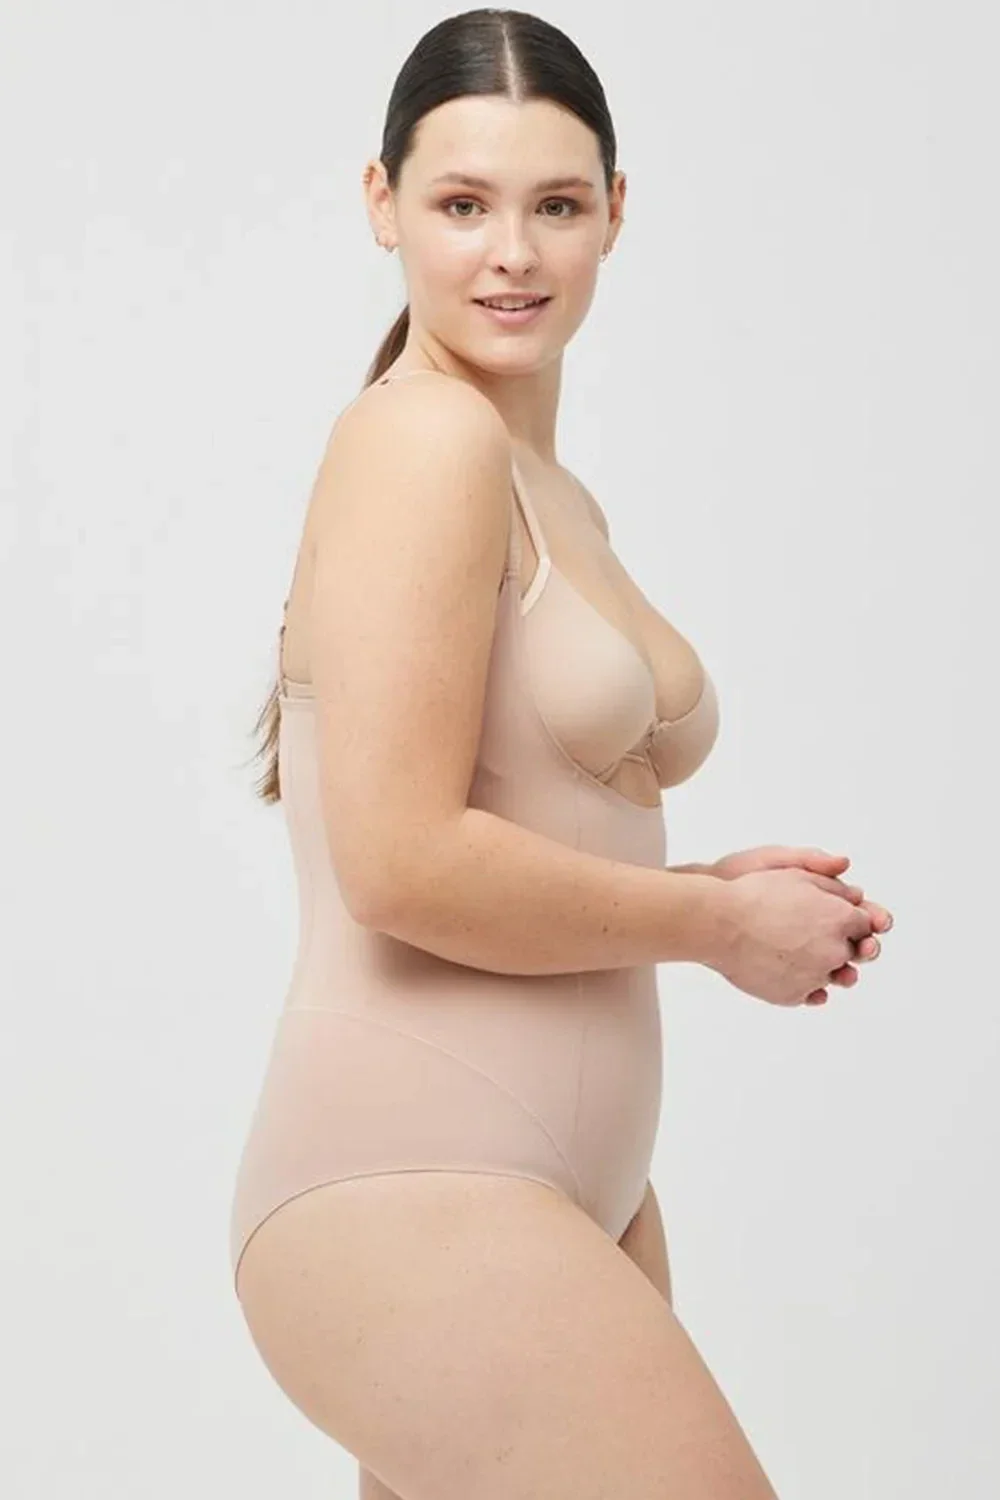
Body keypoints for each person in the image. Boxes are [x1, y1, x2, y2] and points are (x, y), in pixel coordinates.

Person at [230, 10, 893, 1498]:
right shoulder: (422, 440)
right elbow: (399, 864)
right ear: (383, 203)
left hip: (567, 1194)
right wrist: (717, 929)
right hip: (416, 1183)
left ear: (616, 212)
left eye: (557, 205)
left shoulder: (554, 490)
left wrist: (709, 883)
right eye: (463, 204)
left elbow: (508, 823)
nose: (513, 255)